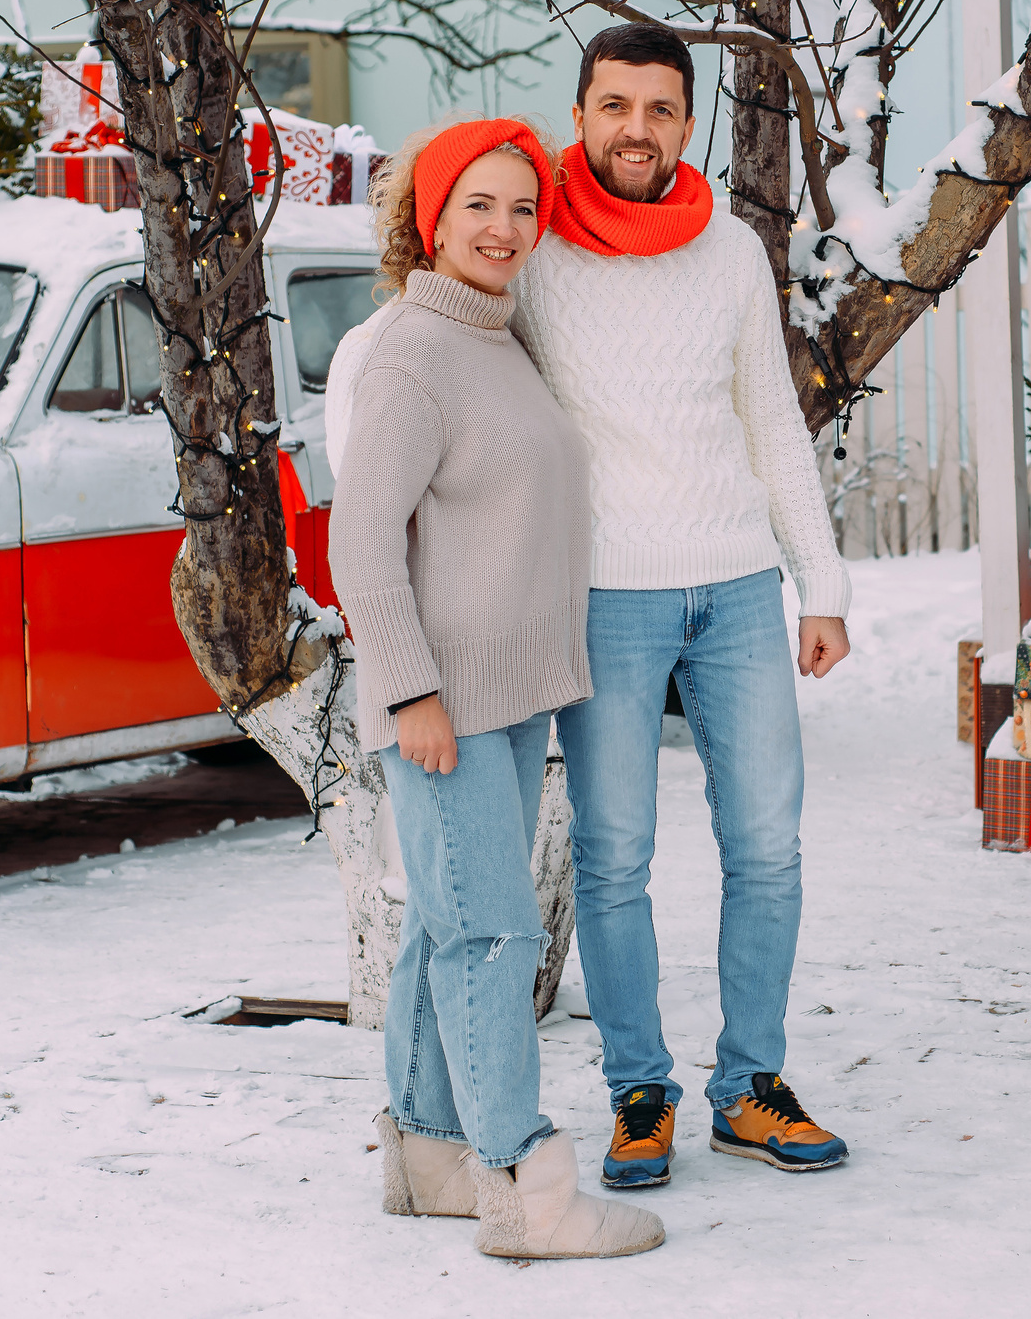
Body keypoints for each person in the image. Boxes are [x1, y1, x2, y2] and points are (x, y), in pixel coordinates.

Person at [509, 24, 855, 1189]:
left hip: (737, 585)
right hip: (604, 591)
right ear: (580, 113)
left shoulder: (729, 250)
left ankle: (750, 1085)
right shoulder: (535, 246)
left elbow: (769, 416)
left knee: (767, 846)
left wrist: (824, 582)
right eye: (615, 106)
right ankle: (637, 1090)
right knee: (613, 857)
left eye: (659, 109)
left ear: (687, 122)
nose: (636, 130)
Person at [328, 118, 663, 1261]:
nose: (504, 228)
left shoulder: (498, 340)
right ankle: (525, 1184)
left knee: (447, 921)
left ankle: (431, 1156)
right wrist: (413, 692)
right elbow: (362, 544)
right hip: (445, 705)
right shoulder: (409, 352)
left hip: (510, 696)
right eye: (479, 204)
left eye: (523, 208)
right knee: (492, 933)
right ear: (429, 214)